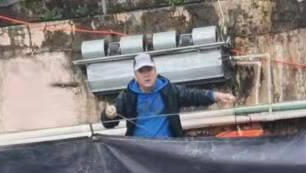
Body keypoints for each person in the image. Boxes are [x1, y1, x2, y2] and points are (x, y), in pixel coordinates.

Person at [101, 53, 237, 139]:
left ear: (155, 71)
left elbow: (193, 95)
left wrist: (216, 96)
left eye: (149, 69)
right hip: (139, 152)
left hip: (169, 149)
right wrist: (108, 114)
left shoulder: (169, 90)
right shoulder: (127, 96)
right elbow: (108, 123)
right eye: (141, 71)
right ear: (136, 76)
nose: (146, 74)